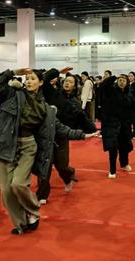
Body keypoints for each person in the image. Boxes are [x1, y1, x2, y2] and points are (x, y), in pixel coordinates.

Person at [0, 68, 97, 234]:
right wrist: (14, 71)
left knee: (18, 184)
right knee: (6, 192)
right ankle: (21, 224)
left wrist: (83, 135)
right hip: (6, 146)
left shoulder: (46, 108)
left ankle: (33, 210)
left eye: (33, 79)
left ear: (41, 82)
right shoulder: (14, 95)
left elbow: (60, 128)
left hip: (28, 147)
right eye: (27, 78)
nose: (29, 81)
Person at [37, 70, 96, 203]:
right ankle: (42, 195)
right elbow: (44, 80)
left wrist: (92, 131)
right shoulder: (54, 93)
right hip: (46, 134)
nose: (67, 83)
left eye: (70, 82)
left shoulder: (75, 103)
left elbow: (81, 117)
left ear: (75, 86)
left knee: (62, 165)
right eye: (66, 81)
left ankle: (69, 176)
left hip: (62, 135)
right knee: (45, 165)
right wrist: (57, 72)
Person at [100, 73, 135, 178]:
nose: (121, 82)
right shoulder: (111, 92)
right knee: (113, 147)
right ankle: (112, 170)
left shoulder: (129, 95)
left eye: (124, 80)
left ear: (127, 83)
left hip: (125, 125)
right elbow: (103, 85)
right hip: (111, 124)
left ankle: (124, 163)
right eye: (120, 80)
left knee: (125, 146)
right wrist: (113, 77)